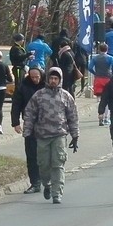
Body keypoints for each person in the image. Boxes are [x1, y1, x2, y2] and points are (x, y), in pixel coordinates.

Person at [22, 67, 79, 204]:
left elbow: (73, 116)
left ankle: (57, 193)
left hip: (59, 134)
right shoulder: (39, 95)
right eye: (51, 78)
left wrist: (75, 135)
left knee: (58, 164)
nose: (53, 81)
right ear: (47, 79)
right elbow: (29, 114)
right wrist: (27, 132)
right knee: (43, 165)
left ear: (60, 80)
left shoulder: (66, 96)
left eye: (56, 78)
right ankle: (47, 184)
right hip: (42, 136)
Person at [11, 65, 46, 193]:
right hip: (30, 124)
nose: (35, 79)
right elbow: (16, 104)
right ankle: (35, 182)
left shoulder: (48, 85)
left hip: (47, 124)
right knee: (31, 155)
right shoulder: (23, 86)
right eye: (32, 77)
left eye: (37, 77)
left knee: (47, 154)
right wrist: (15, 122)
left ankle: (48, 180)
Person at [88, 42, 113, 125]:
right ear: (107, 49)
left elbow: (89, 67)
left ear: (99, 49)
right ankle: (106, 118)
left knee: (100, 99)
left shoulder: (95, 59)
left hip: (98, 79)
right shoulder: (110, 58)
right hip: (107, 79)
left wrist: (94, 72)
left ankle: (100, 114)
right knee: (107, 100)